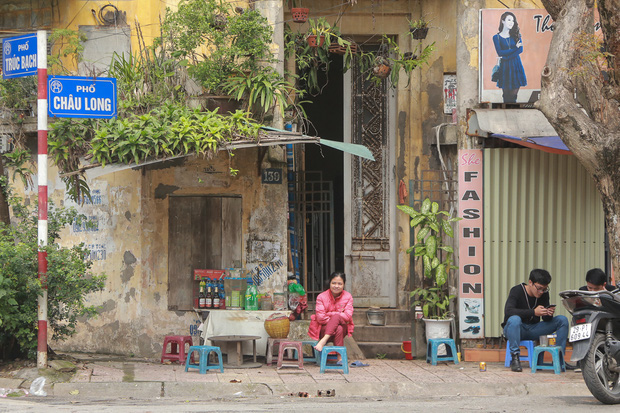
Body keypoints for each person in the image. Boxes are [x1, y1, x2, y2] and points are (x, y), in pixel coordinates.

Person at [502, 268, 569, 372]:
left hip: (533, 329)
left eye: (545, 289)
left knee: (562, 320)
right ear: (530, 283)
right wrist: (533, 312)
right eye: (539, 288)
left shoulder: (544, 294)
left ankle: (559, 360)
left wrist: (548, 314)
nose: (541, 292)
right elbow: (509, 311)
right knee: (515, 319)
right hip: (516, 329)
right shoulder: (517, 290)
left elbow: (546, 319)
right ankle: (515, 358)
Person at [308, 272, 354, 363]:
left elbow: (348, 316)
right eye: (334, 283)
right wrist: (336, 317)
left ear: (344, 284)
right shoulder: (321, 297)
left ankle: (323, 341)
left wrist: (330, 315)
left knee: (338, 321)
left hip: (340, 327)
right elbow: (320, 318)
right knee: (339, 328)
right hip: (323, 329)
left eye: (339, 284)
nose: (336, 286)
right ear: (329, 283)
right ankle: (340, 357)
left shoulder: (348, 297)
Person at [492, 11, 527, 103]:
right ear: (503, 21)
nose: (512, 22)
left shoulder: (516, 35)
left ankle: (514, 114)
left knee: (514, 95)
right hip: (505, 67)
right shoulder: (496, 37)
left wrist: (507, 56)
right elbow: (500, 52)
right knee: (506, 95)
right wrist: (515, 48)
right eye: (509, 20)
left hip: (516, 65)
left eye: (513, 20)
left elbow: (520, 50)